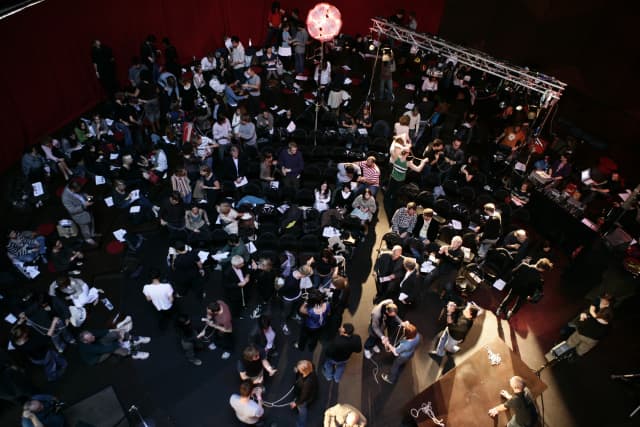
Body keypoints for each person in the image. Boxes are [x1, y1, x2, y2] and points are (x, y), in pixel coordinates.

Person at [77, 328, 150, 364]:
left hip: (98, 344)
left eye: (92, 335)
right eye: (91, 338)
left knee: (114, 334)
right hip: (96, 358)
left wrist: (118, 331)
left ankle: (134, 339)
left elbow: (104, 332)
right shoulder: (88, 348)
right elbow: (105, 349)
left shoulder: (89, 335)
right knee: (113, 349)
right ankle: (134, 353)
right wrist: (119, 342)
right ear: (85, 341)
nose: (93, 336)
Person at [424, 236, 464, 300]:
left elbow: (455, 261)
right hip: (441, 266)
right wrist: (440, 251)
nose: (452, 243)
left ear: (459, 244)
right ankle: (425, 291)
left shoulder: (461, 253)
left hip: (451, 271)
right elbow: (438, 256)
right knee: (427, 278)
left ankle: (445, 298)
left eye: (454, 242)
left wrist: (447, 253)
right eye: (452, 241)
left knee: (448, 288)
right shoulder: (447, 248)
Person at [61, 180, 98, 245]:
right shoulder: (65, 198)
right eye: (78, 189)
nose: (79, 190)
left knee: (92, 222)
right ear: (72, 190)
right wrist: (84, 206)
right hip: (80, 215)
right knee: (85, 228)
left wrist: (88, 197)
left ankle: (92, 233)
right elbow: (71, 210)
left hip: (87, 209)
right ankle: (88, 238)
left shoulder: (74, 186)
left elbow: (82, 193)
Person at [291, 360, 318, 427]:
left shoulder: (307, 383)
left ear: (303, 371)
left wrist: (296, 403)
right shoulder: (311, 370)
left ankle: (301, 425)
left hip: (303, 399)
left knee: (302, 412)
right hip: (306, 394)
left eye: (299, 369)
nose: (298, 369)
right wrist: (297, 372)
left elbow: (303, 396)